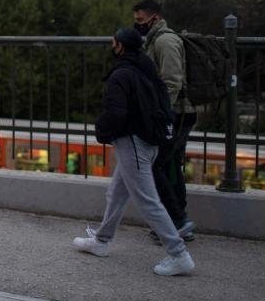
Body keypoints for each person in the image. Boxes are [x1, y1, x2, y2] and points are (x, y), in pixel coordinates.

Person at [72, 28, 195, 276]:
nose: (111, 45)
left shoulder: (121, 75)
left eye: (113, 42)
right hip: (150, 142)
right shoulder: (147, 69)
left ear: (119, 46)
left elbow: (116, 113)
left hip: (132, 144)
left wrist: (101, 131)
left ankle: (179, 254)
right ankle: (101, 240)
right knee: (116, 193)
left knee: (148, 202)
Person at [132, 0, 196, 241]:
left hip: (176, 114)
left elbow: (172, 82)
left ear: (154, 18)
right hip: (173, 114)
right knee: (170, 167)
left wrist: (159, 114)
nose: (138, 25)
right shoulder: (154, 40)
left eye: (140, 20)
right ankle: (176, 222)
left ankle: (177, 221)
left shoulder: (166, 41)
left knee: (158, 166)